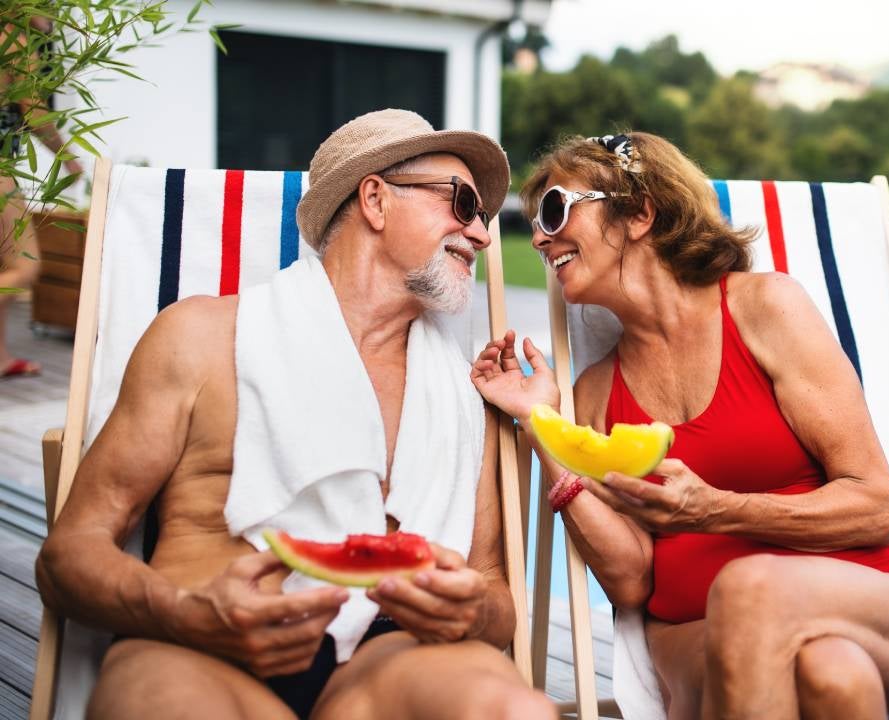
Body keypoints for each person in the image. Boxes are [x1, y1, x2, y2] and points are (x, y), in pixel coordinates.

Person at [36, 109, 554, 720]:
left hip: (390, 660)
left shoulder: (470, 389)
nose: (484, 235)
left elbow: (496, 591)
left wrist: (472, 611)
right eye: (463, 203)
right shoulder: (202, 337)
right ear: (376, 200)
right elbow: (68, 555)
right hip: (200, 643)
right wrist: (184, 613)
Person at [472, 132, 889, 720]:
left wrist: (714, 510)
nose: (540, 237)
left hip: (870, 598)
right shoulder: (594, 393)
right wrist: (541, 424)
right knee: (835, 676)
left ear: (640, 213)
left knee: (751, 589)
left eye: (554, 210)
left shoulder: (766, 309)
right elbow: (630, 583)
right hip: (692, 632)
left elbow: (876, 508)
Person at [1, 14, 84, 378]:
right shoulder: (16, 39)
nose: (55, 15)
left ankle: (0, 356)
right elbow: (35, 114)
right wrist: (69, 160)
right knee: (24, 266)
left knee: (6, 266)